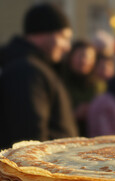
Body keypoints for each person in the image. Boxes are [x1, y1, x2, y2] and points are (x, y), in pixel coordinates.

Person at [0, 3, 77, 149]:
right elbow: (29, 140)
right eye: (63, 37)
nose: (67, 46)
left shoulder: (34, 67)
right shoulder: (27, 71)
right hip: (41, 169)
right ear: (44, 33)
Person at [62, 40, 99, 136]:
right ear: (71, 57)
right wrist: (73, 114)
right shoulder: (60, 82)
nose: (85, 61)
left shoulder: (97, 85)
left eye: (90, 57)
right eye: (81, 56)